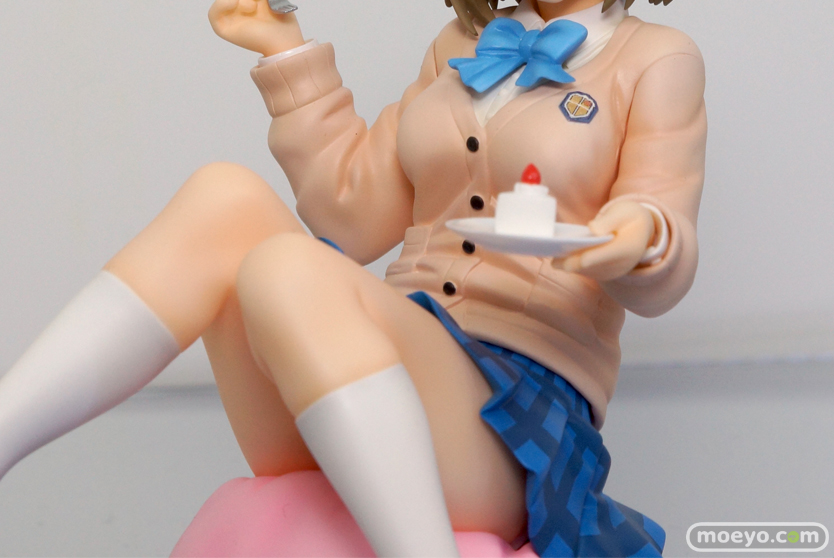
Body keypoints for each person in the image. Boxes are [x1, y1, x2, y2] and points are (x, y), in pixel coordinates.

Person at [0, 0, 705, 556]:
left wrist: (641, 236)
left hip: (512, 421)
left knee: (285, 267)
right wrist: (285, 51)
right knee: (224, 196)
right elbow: (353, 218)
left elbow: (662, 221)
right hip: (374, 380)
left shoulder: (656, 59)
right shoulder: (456, 46)